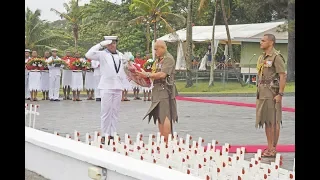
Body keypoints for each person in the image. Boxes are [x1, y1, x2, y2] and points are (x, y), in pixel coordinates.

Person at [85, 36, 127, 144]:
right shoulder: (102, 54)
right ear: (106, 44)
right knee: (106, 111)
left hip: (118, 86)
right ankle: (105, 134)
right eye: (109, 43)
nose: (112, 45)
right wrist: (100, 45)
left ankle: (113, 133)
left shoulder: (121, 55)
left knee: (115, 111)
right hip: (106, 86)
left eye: (114, 43)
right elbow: (88, 54)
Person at [135, 40, 178, 143]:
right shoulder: (158, 60)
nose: (155, 51)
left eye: (156, 49)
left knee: (165, 115)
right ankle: (163, 139)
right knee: (159, 115)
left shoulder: (168, 59)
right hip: (157, 89)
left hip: (165, 90)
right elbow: (155, 72)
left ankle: (167, 141)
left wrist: (147, 75)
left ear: (163, 48)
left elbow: (163, 74)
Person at [256, 34, 286, 157]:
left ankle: (273, 148)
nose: (260, 42)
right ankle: (269, 147)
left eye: (263, 41)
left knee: (274, 121)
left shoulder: (276, 57)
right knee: (267, 120)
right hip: (262, 91)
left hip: (272, 92)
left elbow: (282, 76)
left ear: (271, 42)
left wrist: (280, 94)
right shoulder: (262, 57)